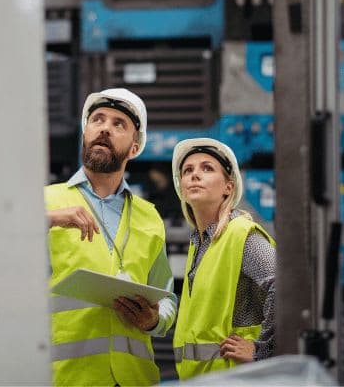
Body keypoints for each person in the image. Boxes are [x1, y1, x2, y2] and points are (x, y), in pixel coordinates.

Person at [45, 88, 177, 386]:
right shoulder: (45, 202)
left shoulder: (149, 216)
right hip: (67, 378)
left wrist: (155, 321)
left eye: (119, 124)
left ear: (134, 147)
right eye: (98, 120)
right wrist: (47, 220)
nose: (105, 128)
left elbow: (167, 295)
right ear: (85, 134)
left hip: (134, 379)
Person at [169, 138, 276, 379]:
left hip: (236, 379)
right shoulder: (199, 244)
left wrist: (263, 350)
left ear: (229, 187)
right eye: (188, 171)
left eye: (207, 168)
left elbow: (284, 286)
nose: (195, 175)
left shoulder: (240, 234)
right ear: (182, 187)